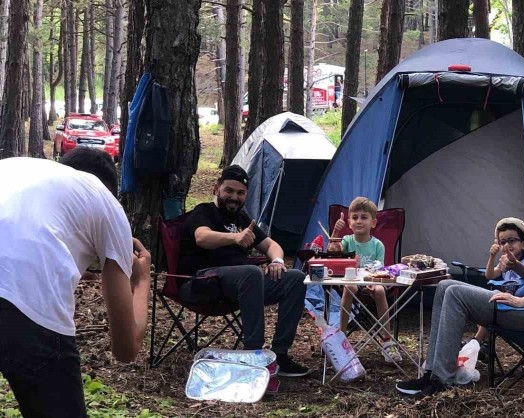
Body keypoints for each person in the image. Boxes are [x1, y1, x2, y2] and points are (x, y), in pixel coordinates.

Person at [0, 147, 151, 417]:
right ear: (111, 188)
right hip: (23, 308)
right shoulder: (105, 201)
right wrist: (141, 281)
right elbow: (125, 348)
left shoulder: (17, 168)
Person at [396, 182, 524, 396]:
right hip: (521, 309)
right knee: (445, 285)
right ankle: (431, 372)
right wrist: (517, 266)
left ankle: (441, 379)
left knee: (455, 293)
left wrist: (523, 301)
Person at [179, 165, 309, 377]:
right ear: (217, 188)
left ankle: (280, 354)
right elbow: (201, 237)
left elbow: (271, 245)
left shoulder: (241, 219)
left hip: (243, 285)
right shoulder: (204, 211)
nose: (234, 197)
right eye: (229, 190)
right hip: (202, 282)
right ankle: (253, 354)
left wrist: (276, 260)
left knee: (295, 277)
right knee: (251, 272)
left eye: (240, 193)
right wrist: (235, 238)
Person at [328, 197, 401, 363]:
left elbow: (380, 270)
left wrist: (371, 281)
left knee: (380, 289)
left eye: (364, 217)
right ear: (349, 222)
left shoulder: (378, 245)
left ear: (373, 223)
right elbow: (333, 252)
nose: (359, 221)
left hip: (371, 281)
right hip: (351, 281)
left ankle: (387, 339)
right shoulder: (346, 241)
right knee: (349, 287)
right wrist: (335, 234)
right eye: (354, 218)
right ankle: (342, 334)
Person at [468, 218, 524, 356]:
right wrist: (492, 256)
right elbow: (490, 275)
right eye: (502, 242)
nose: (506, 245)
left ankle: (476, 343)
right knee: (483, 310)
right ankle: (484, 345)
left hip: (521, 306)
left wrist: (515, 264)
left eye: (511, 241)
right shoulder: (503, 263)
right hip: (505, 304)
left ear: (523, 244)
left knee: (490, 305)